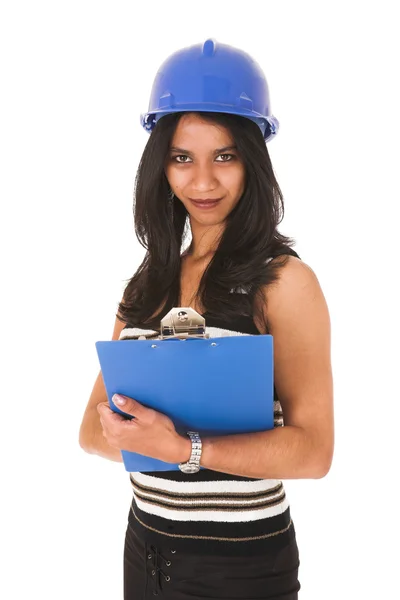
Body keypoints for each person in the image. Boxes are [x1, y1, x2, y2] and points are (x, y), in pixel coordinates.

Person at [79, 38, 334, 599]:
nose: (202, 182)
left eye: (224, 156)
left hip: (239, 565)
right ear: (159, 166)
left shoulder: (284, 282)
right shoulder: (145, 285)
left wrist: (183, 448)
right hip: (144, 546)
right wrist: (138, 431)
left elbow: (314, 453)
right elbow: (90, 433)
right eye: (181, 158)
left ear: (253, 159)